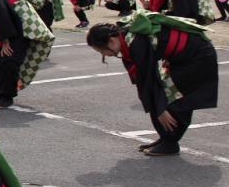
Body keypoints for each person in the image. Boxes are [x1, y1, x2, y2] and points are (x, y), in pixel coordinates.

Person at [86, 14, 218, 156]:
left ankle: (170, 142)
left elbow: (149, 78)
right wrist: (157, 106)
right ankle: (165, 138)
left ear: (111, 41)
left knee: (175, 98)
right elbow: (144, 80)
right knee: (159, 96)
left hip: (197, 57)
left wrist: (160, 109)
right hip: (185, 56)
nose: (104, 55)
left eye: (101, 51)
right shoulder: (126, 38)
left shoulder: (135, 42)